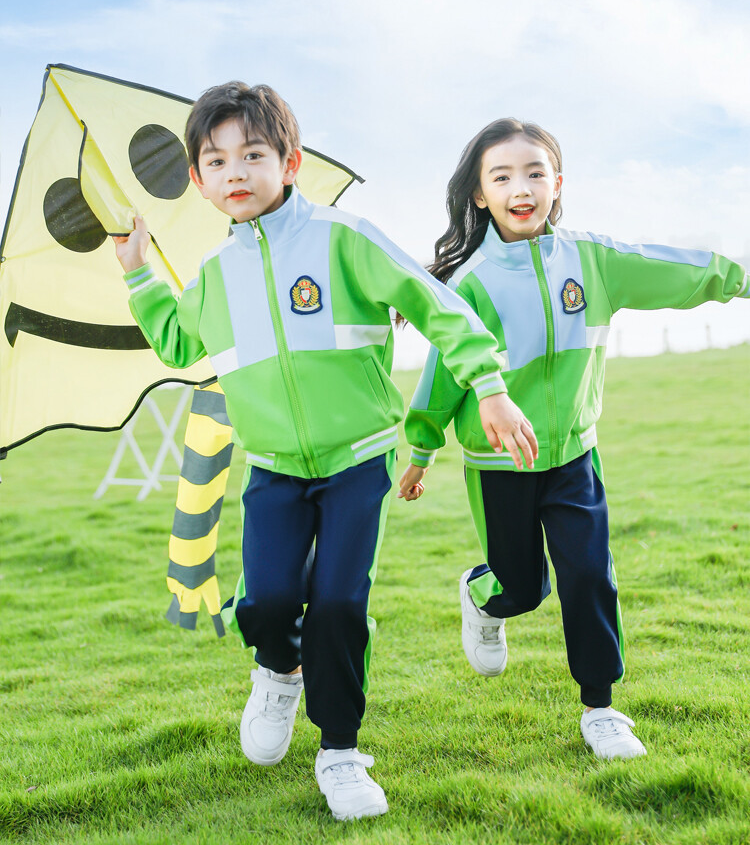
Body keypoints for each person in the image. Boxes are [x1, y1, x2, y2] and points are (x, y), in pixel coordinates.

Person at [113, 84, 538, 820]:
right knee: (266, 603)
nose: (235, 171)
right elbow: (179, 343)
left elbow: (440, 308)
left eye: (253, 154)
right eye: (216, 160)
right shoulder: (214, 275)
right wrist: (138, 273)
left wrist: (490, 387)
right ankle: (279, 671)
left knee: (340, 603)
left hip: (356, 462)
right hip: (272, 469)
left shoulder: (346, 239)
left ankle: (340, 751)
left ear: (290, 162)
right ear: (198, 180)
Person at [398, 117, 749, 760]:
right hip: (499, 465)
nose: (521, 188)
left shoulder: (591, 260)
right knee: (523, 587)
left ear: (557, 184)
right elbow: (443, 373)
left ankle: (601, 709)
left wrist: (739, 277)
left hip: (574, 456)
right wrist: (421, 450)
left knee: (589, 576)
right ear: (480, 194)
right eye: (502, 176)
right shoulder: (471, 282)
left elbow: (672, 269)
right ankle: (483, 595)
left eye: (535, 173)